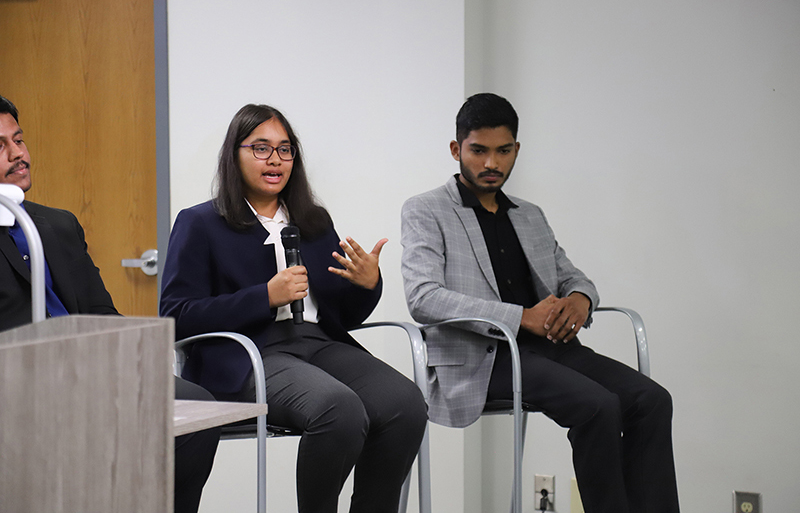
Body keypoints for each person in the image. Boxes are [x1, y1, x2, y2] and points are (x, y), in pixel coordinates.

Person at [400, 93, 680, 513]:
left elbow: (571, 275)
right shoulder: (426, 210)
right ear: (457, 149)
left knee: (652, 400)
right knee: (598, 407)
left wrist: (582, 300)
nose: (491, 163)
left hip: (554, 349)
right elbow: (424, 298)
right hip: (485, 357)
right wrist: (520, 318)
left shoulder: (528, 214)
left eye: (503, 151)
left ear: (516, 150)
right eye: (479, 151)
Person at [160, 103, 427, 513]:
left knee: (405, 404)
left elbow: (344, 315)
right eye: (261, 148)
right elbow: (176, 316)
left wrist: (368, 284)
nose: (275, 160)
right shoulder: (200, 223)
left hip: (319, 344)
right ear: (235, 154)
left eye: (285, 150)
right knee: (338, 409)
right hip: (249, 353)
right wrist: (263, 296)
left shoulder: (313, 221)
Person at [0, 94, 219, 513]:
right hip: (24, 386)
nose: (18, 154)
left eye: (20, 140)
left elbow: (101, 313)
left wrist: (129, 357)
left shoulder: (59, 224)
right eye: (0, 146)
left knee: (197, 410)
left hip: (93, 369)